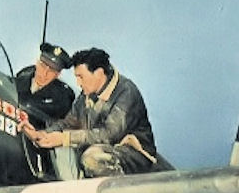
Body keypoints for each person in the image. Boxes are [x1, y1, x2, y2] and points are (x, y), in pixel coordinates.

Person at [18, 47, 157, 178]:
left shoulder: (127, 93)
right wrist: (42, 134)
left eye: (81, 77)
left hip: (134, 157)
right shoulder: (87, 94)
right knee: (64, 151)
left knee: (92, 158)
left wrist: (64, 138)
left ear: (99, 73)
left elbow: (109, 135)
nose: (78, 83)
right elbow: (70, 122)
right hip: (103, 148)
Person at [16, 42, 75, 125]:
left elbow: (60, 126)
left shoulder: (62, 97)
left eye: (51, 70)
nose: (44, 74)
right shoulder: (21, 78)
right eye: (42, 66)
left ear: (57, 74)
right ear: (37, 63)